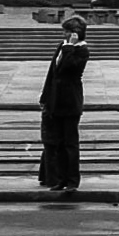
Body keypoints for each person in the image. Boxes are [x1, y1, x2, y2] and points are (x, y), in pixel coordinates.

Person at [39, 14, 89, 194]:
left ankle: (72, 180)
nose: (64, 35)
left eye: (67, 32)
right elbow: (52, 73)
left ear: (76, 33)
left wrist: (70, 46)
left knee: (70, 143)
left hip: (70, 102)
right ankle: (59, 179)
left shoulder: (81, 50)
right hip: (55, 101)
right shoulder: (62, 46)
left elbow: (68, 68)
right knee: (58, 143)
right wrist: (45, 97)